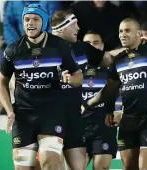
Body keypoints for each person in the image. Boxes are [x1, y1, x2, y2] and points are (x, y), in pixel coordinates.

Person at [83, 18, 147, 170]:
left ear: (139, 33)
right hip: (128, 121)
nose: (122, 35)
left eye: (127, 31)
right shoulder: (117, 61)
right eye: (120, 31)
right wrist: (108, 110)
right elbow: (109, 90)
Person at [0, 4, 83, 170]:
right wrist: (9, 111)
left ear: (43, 22)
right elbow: (1, 82)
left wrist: (70, 79)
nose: (30, 23)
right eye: (27, 19)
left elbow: (78, 76)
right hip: (23, 115)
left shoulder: (59, 46)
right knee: (23, 165)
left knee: (49, 161)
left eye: (35, 19)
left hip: (51, 114)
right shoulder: (13, 50)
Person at [50, 9, 122, 170]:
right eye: (74, 24)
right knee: (51, 165)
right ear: (62, 28)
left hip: (76, 119)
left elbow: (108, 58)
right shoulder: (42, 48)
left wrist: (133, 48)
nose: (78, 28)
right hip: (50, 118)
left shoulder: (82, 49)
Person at [81, 31, 118, 169]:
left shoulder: (112, 69)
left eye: (96, 43)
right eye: (88, 44)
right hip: (79, 126)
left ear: (102, 46)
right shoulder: (73, 68)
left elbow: (118, 92)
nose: (92, 46)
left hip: (104, 127)